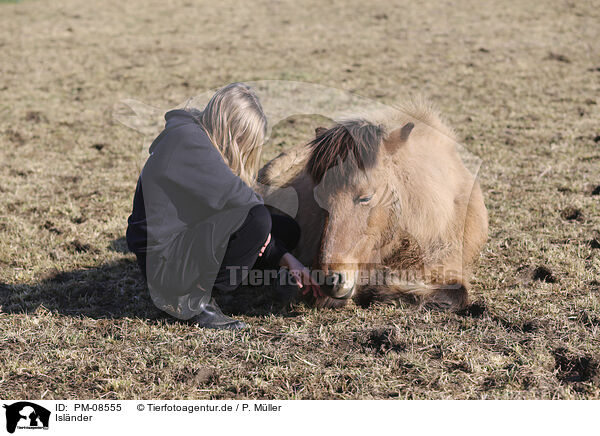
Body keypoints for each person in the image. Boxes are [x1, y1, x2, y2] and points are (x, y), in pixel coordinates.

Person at [126, 83, 320, 329]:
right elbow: (242, 201)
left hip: (183, 245)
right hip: (165, 266)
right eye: (243, 139)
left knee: (285, 229)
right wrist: (265, 243)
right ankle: (191, 302)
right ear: (230, 128)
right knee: (257, 219)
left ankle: (237, 277)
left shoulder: (193, 136)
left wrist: (287, 258)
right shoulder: (186, 140)